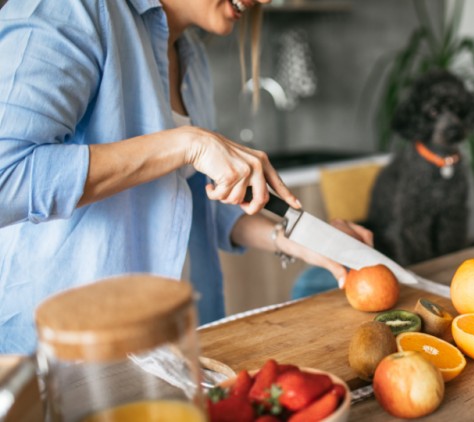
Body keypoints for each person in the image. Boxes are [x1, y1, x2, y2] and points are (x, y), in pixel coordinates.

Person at [0, 0, 371, 354]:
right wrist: (185, 143)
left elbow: (197, 197)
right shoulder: (73, 11)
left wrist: (292, 239)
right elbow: (8, 180)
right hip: (69, 360)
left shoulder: (191, 56)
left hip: (171, 344)